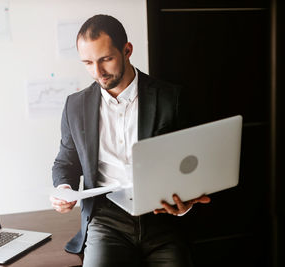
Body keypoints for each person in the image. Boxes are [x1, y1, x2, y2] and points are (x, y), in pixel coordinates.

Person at [50, 14, 211, 267]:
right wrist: (64, 189)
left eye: (106, 59)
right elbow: (65, 162)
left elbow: (195, 164)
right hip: (106, 220)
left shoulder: (171, 98)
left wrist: (185, 203)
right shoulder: (75, 105)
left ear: (127, 50)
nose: (98, 72)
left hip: (161, 219)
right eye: (88, 63)